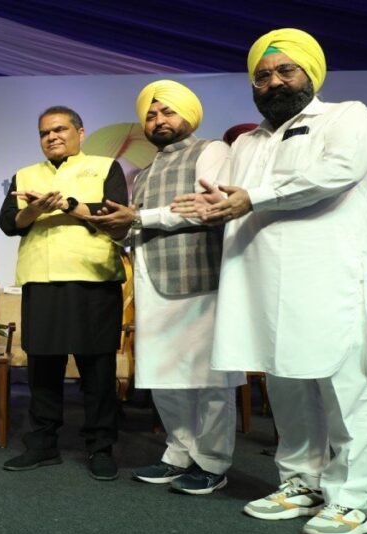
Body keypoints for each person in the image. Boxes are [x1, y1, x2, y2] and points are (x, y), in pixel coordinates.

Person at [176, 28, 367, 534]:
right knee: (286, 386)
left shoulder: (348, 117)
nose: (273, 82)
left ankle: (354, 500)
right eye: (262, 75)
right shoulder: (246, 142)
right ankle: (301, 483)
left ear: (310, 74)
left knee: (345, 388)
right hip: (263, 285)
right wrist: (199, 208)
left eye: (285, 70)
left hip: (331, 281)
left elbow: (335, 173)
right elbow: (226, 198)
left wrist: (253, 197)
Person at [88, 80, 241, 494]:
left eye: (168, 112)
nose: (158, 121)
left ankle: (212, 462)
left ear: (189, 115)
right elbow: (137, 227)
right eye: (151, 115)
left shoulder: (212, 151)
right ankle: (178, 454)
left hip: (201, 278)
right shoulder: (144, 172)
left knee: (210, 379)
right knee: (165, 377)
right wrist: (116, 228)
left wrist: (139, 217)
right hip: (153, 282)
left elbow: (206, 208)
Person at [0, 106, 127, 481]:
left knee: (97, 370)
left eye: (60, 129)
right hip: (41, 280)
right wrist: (34, 210)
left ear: (80, 133)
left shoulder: (105, 167)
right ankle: (42, 444)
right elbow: (9, 223)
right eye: (44, 133)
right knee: (42, 368)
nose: (52, 137)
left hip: (93, 278)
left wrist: (67, 205)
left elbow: (113, 214)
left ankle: (100, 446)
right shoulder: (25, 174)